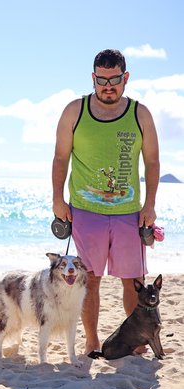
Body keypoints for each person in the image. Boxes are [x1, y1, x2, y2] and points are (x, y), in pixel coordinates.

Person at [52, 49, 160, 354]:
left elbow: (152, 162)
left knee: (134, 282)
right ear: (93, 78)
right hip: (86, 212)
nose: (107, 86)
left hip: (129, 213)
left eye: (114, 80)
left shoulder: (141, 114)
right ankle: (92, 340)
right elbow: (61, 157)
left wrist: (150, 205)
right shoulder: (75, 111)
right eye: (102, 80)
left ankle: (136, 344)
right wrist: (57, 198)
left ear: (125, 78)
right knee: (91, 281)